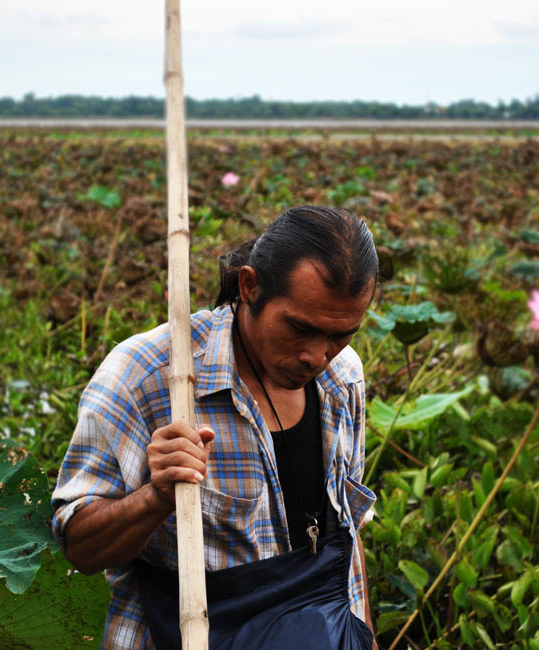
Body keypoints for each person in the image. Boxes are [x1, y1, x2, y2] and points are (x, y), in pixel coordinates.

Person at [51, 206, 380, 649]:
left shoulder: (343, 380)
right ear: (250, 287)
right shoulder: (145, 379)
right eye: (299, 329)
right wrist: (156, 497)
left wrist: (364, 638)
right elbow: (81, 549)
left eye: (341, 335)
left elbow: (347, 533)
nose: (317, 357)